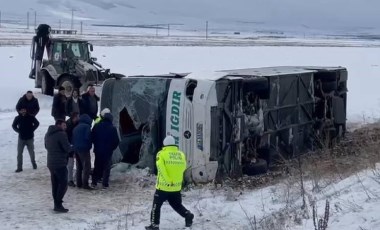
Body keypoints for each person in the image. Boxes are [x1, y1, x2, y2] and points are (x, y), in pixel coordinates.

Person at [145, 136, 194, 230]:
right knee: (177, 205)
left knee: (156, 206)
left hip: (163, 187)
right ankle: (188, 215)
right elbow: (183, 167)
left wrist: (168, 181)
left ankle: (154, 225)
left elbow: (161, 169)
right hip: (176, 187)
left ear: (165, 144)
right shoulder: (181, 154)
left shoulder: (161, 154)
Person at [45, 119, 72, 213]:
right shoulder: (61, 134)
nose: (66, 127)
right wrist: (73, 147)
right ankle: (58, 204)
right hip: (60, 163)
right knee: (64, 184)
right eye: (64, 125)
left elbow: (46, 146)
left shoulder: (48, 134)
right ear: (59, 125)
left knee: (55, 184)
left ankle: (56, 204)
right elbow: (67, 148)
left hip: (51, 162)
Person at [91, 113, 120, 188]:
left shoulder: (97, 126)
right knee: (106, 167)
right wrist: (111, 148)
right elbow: (116, 141)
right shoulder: (113, 128)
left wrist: (96, 145)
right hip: (108, 151)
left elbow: (92, 136)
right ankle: (105, 183)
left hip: (98, 150)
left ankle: (94, 181)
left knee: (97, 165)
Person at [12, 108, 40, 172]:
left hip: (30, 138)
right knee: (19, 153)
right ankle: (19, 167)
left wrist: (32, 129)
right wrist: (18, 131)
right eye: (22, 110)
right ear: (20, 111)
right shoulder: (17, 118)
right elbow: (13, 126)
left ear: (26, 110)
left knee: (31, 152)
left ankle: (33, 164)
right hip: (21, 138)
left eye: (24, 110)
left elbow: (37, 123)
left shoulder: (31, 117)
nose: (23, 111)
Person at [72, 114, 93, 189]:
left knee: (79, 167)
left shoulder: (76, 127)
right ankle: (85, 184)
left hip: (76, 149)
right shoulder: (87, 127)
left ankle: (79, 183)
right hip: (84, 149)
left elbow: (73, 139)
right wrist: (89, 145)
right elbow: (88, 137)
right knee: (86, 166)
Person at [65, 112, 79, 187]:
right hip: (70, 146)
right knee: (70, 164)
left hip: (73, 145)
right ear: (74, 117)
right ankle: (69, 179)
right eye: (77, 117)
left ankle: (71, 178)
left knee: (71, 163)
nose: (78, 118)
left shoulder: (70, 123)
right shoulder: (68, 125)